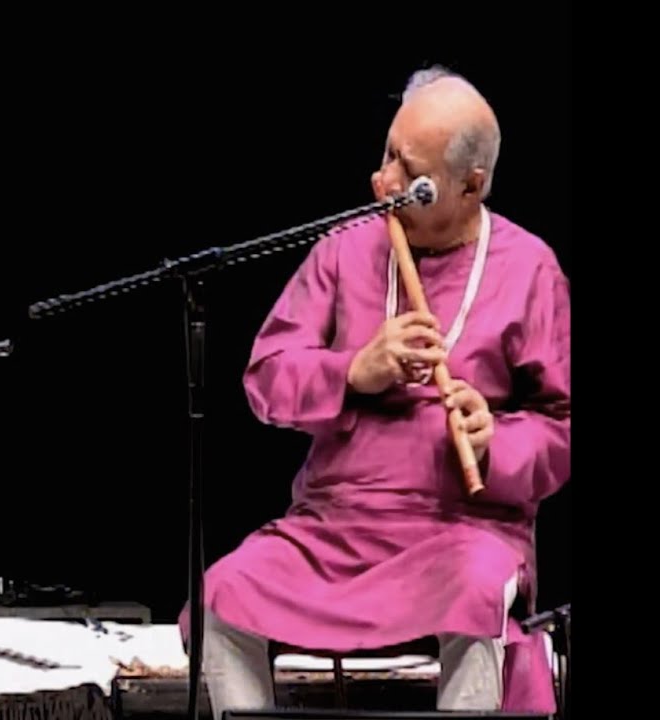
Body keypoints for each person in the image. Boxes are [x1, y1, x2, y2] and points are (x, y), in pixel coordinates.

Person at [182, 66, 569, 713]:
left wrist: (495, 438)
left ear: (471, 186)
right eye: (387, 153)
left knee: (478, 594)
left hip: (460, 532)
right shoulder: (344, 249)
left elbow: (561, 426)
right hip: (330, 529)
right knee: (222, 592)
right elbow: (266, 379)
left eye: (410, 175)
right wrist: (352, 372)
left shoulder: (531, 268)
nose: (381, 181)